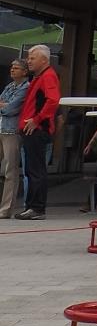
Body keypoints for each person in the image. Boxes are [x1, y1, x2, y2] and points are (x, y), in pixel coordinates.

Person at [18, 44, 60, 220]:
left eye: (32, 58)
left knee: (36, 170)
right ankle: (32, 206)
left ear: (44, 59)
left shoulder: (48, 76)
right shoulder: (39, 77)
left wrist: (36, 120)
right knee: (31, 169)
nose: (29, 61)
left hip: (37, 129)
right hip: (30, 129)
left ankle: (37, 208)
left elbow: (53, 100)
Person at [0, 57, 31, 218]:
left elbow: (10, 109)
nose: (12, 70)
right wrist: (4, 105)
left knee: (10, 170)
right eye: (12, 67)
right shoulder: (10, 86)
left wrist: (4, 105)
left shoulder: (26, 88)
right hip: (1, 128)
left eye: (16, 68)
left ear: (25, 72)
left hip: (12, 131)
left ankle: (6, 209)